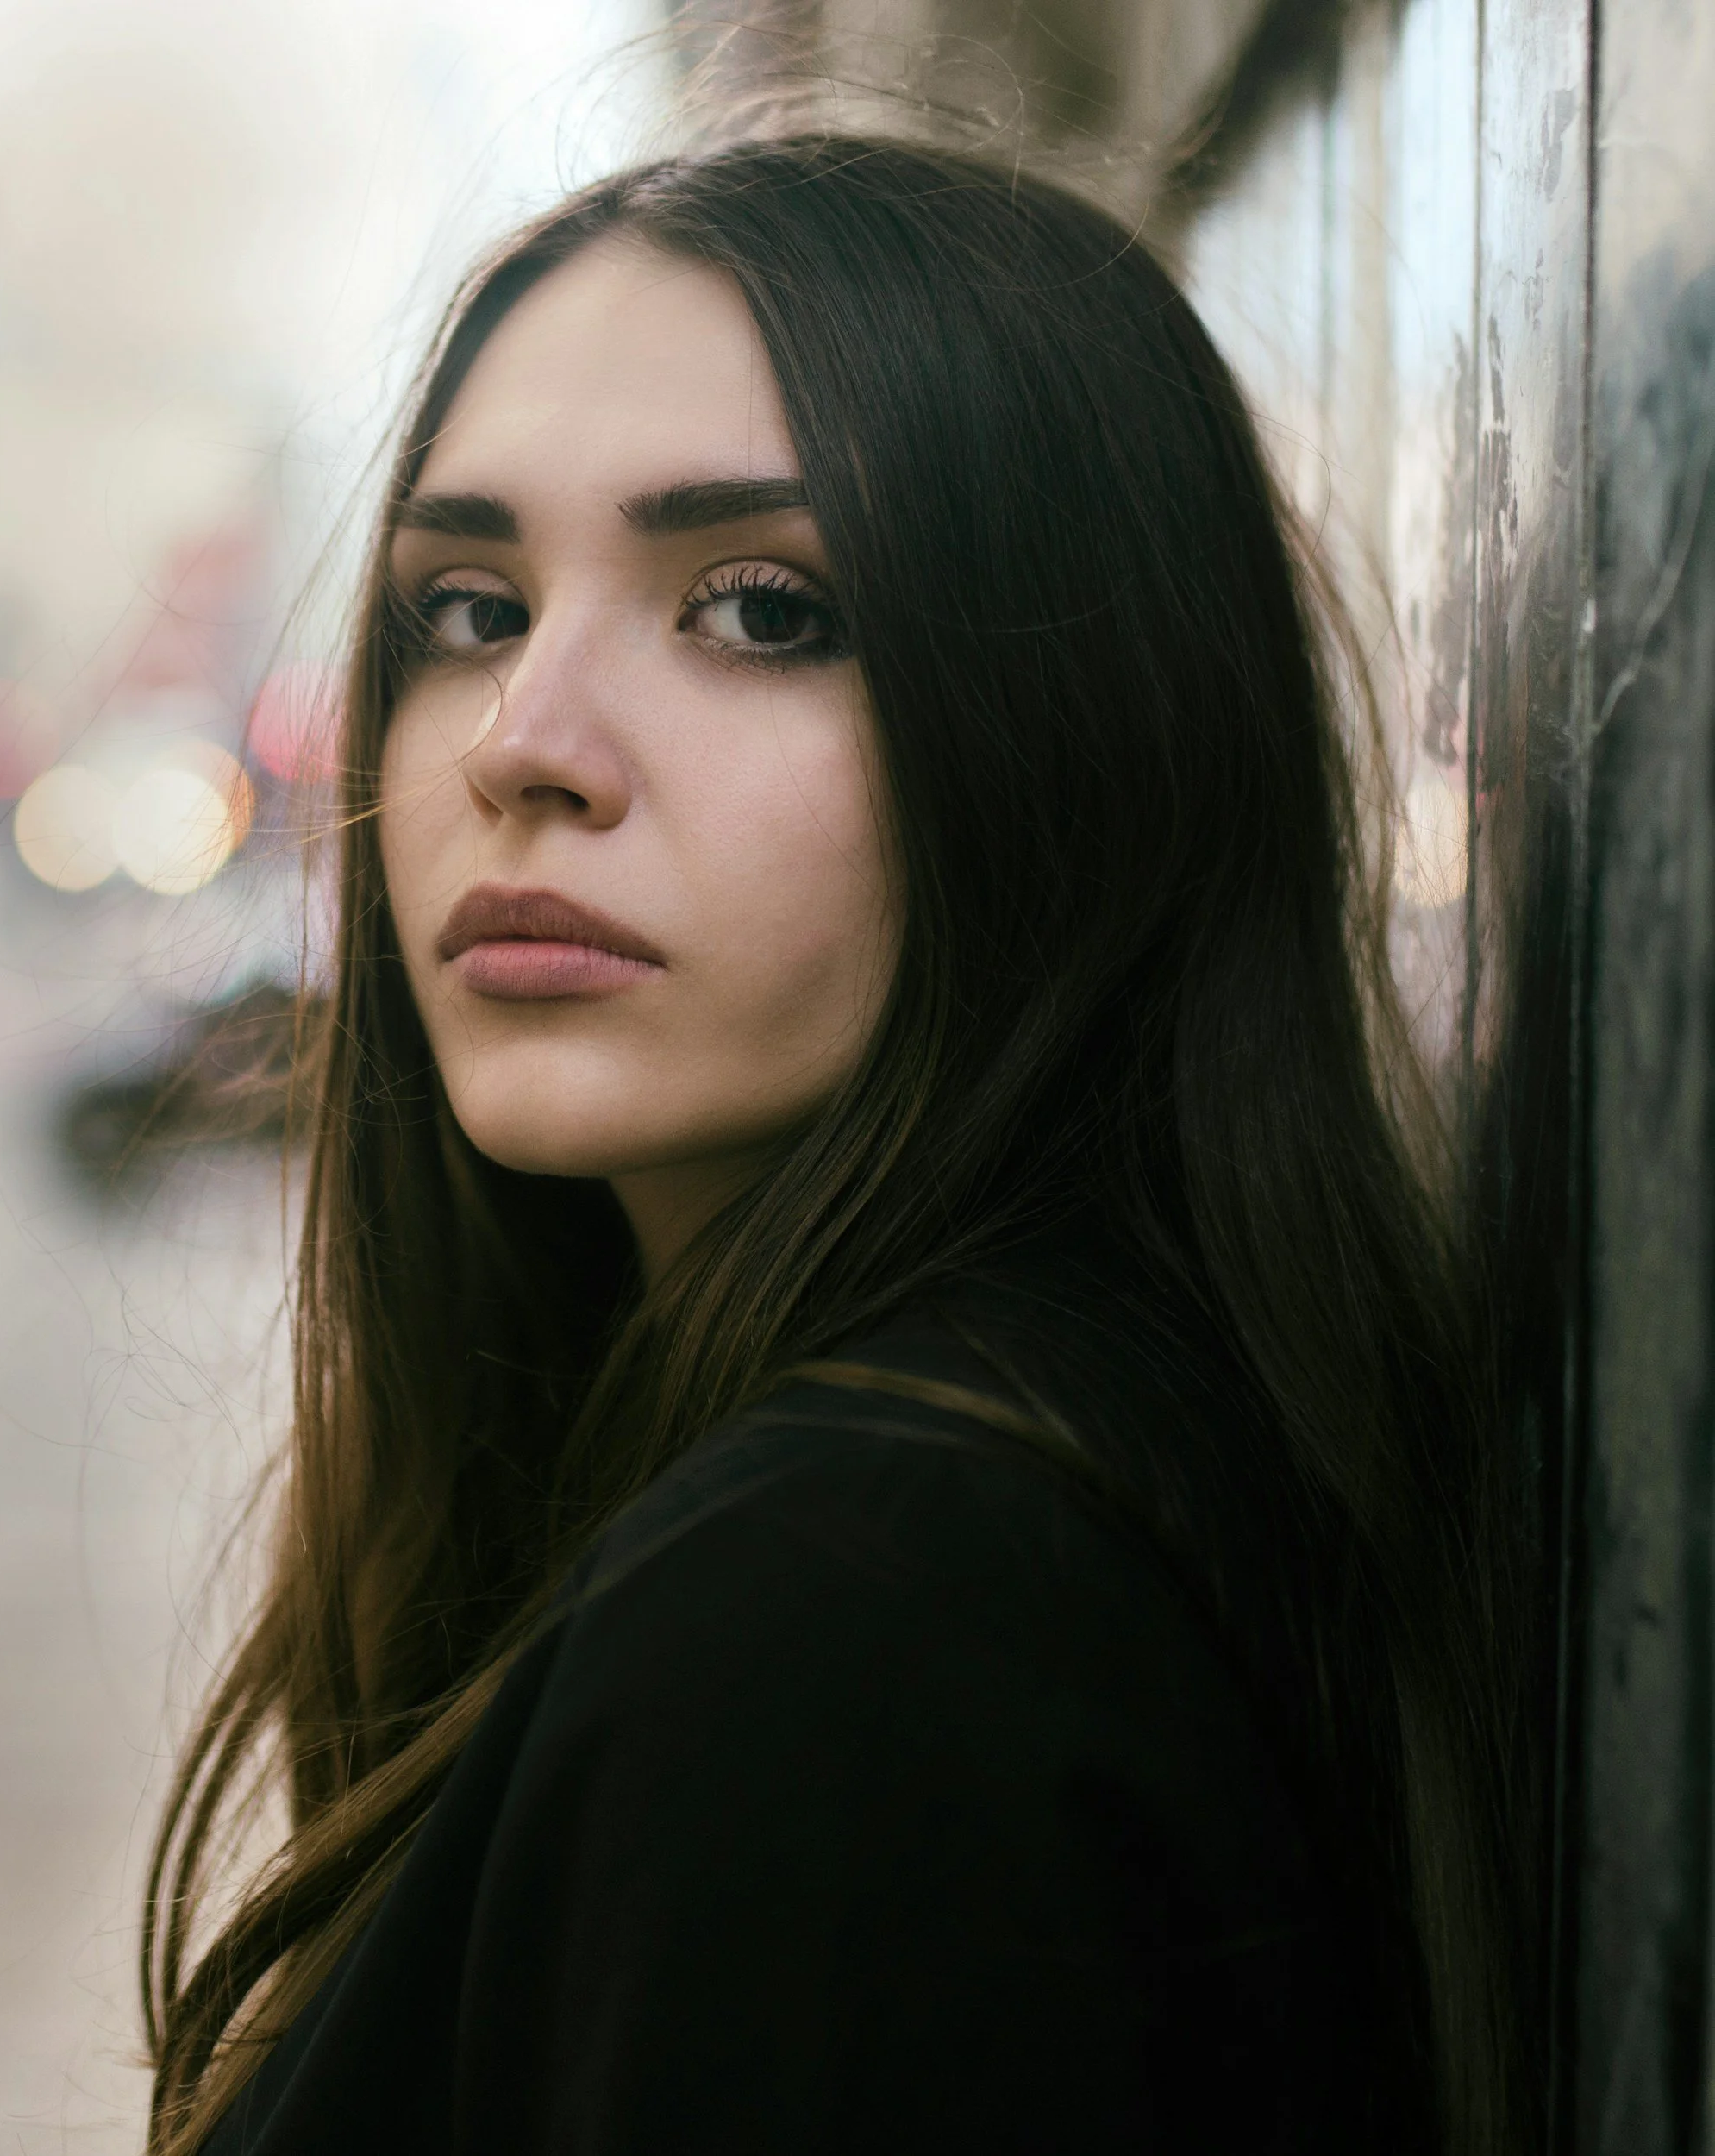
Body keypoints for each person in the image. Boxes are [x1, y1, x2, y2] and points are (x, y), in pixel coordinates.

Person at [141, 134, 1528, 2154]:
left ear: (1082, 732)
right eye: (465, 602)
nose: (523, 735)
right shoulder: (1044, 1481)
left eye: (762, 609)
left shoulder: (862, 1616)